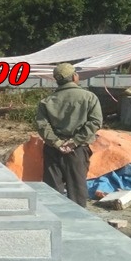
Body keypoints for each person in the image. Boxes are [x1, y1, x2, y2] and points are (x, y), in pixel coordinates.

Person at [35, 63, 102, 207]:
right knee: (77, 190)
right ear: (74, 77)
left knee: (52, 191)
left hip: (53, 150)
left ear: (57, 80)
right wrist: (74, 141)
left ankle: (55, 219)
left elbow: (42, 126)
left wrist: (57, 143)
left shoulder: (46, 101)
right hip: (77, 150)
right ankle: (77, 219)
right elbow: (95, 122)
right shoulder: (89, 97)